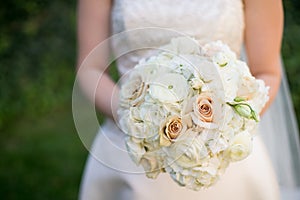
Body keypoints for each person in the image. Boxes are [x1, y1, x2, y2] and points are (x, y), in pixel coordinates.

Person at [75, 0, 300, 199]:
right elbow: (90, 69)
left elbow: (266, 71)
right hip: (129, 155)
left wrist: (222, 128)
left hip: (224, 158)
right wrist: (137, 118)